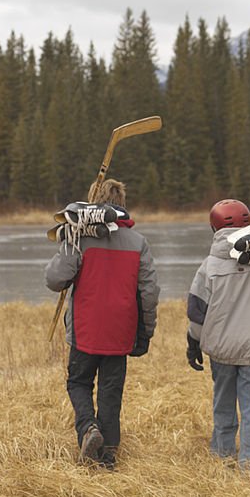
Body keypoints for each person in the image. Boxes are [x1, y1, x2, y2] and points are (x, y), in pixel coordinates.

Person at [45, 180, 159, 469]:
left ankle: (87, 429)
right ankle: (107, 456)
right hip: (120, 331)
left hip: (85, 329)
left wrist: (70, 243)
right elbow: (149, 292)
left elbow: (55, 280)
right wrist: (146, 331)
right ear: (122, 203)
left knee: (78, 382)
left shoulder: (80, 238)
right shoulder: (138, 243)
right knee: (111, 391)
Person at [186, 199, 250, 469]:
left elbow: (198, 311)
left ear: (214, 226)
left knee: (223, 402)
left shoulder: (209, 265)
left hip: (221, 349)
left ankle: (222, 456)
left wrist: (193, 342)